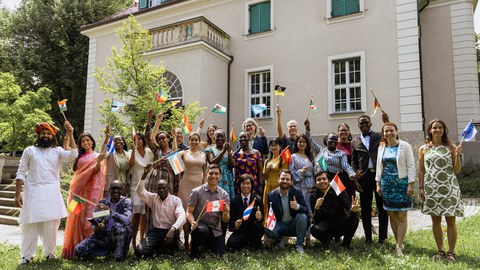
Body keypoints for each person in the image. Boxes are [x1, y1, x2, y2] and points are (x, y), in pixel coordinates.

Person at [14, 122, 77, 265]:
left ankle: (50, 253)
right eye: (43, 133)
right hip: (32, 191)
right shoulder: (29, 151)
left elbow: (73, 154)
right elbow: (21, 172)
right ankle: (27, 256)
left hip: (51, 192)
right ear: (38, 135)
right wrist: (17, 194)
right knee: (30, 224)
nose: (45, 136)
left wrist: (71, 134)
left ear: (52, 136)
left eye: (48, 133)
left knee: (51, 225)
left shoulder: (58, 151)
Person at [419, 119, 463, 263]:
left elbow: (457, 170)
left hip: (449, 187)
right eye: (434, 128)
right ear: (430, 130)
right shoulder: (423, 148)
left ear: (444, 130)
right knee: (435, 220)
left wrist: (457, 155)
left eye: (440, 128)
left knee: (451, 220)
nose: (437, 130)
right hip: (431, 188)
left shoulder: (451, 147)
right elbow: (421, 170)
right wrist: (420, 188)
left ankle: (451, 252)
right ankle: (440, 250)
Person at [62, 133, 106, 259]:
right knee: (75, 221)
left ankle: (88, 250)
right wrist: (69, 134)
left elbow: (96, 172)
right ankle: (73, 249)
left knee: (89, 220)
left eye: (88, 140)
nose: (86, 143)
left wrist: (107, 140)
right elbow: (79, 176)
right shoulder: (79, 158)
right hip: (78, 194)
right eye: (83, 141)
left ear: (92, 142)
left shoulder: (97, 156)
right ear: (80, 144)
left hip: (91, 195)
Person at [375, 122, 415, 256]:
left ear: (396, 131)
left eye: (391, 130)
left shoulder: (405, 146)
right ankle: (399, 241)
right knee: (392, 214)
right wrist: (378, 184)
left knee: (402, 215)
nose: (389, 133)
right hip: (387, 185)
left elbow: (411, 165)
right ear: (383, 133)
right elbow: (378, 167)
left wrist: (411, 184)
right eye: (386, 131)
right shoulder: (382, 147)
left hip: (402, 185)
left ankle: (398, 246)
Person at [134, 164, 186, 258]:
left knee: (171, 252)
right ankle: (160, 249)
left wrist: (173, 229)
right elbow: (139, 191)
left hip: (171, 231)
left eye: (164, 188)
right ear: (156, 190)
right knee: (139, 251)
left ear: (168, 189)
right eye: (159, 188)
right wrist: (144, 175)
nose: (161, 190)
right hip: (156, 232)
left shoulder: (176, 200)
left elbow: (182, 216)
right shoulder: (153, 198)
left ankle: (166, 249)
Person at [351, 114, 388, 244]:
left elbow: (391, 139)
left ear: (371, 124)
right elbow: (353, 162)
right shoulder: (355, 141)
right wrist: (355, 178)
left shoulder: (378, 137)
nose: (364, 125)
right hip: (364, 179)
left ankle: (383, 238)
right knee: (365, 209)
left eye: (367, 123)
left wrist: (386, 122)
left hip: (378, 177)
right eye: (362, 123)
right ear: (358, 126)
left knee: (382, 208)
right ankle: (368, 238)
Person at [75, 180, 132, 261]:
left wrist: (110, 211)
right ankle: (107, 252)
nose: (116, 191)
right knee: (79, 250)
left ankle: (118, 255)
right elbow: (96, 219)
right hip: (104, 236)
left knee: (117, 227)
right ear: (109, 190)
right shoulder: (103, 202)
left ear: (122, 190)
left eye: (118, 188)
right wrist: (97, 228)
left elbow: (126, 220)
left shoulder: (126, 202)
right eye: (113, 188)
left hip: (120, 237)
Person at [187, 164, 230, 258]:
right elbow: (189, 212)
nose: (213, 176)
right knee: (202, 231)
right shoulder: (196, 192)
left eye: (216, 174)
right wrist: (192, 222)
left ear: (220, 176)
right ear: (206, 174)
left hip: (215, 229)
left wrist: (226, 213)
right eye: (211, 173)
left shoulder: (224, 195)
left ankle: (206, 246)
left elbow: (225, 220)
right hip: (200, 226)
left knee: (220, 253)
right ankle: (194, 251)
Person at [145, 111, 178, 232]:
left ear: (167, 139)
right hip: (155, 180)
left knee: (168, 207)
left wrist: (174, 137)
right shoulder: (156, 150)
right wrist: (155, 120)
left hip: (169, 180)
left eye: (163, 137)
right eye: (159, 139)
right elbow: (149, 136)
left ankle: (169, 233)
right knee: (154, 205)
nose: (161, 140)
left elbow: (175, 155)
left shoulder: (172, 152)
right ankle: (151, 233)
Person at [310, 172, 359, 249]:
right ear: (316, 183)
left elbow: (348, 205)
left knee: (354, 218)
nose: (322, 181)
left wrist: (353, 210)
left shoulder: (337, 188)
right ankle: (326, 243)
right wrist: (317, 208)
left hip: (340, 221)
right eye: (318, 180)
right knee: (314, 229)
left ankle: (346, 245)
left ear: (329, 181)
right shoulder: (313, 195)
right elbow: (316, 220)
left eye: (324, 179)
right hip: (325, 224)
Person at [264, 170, 309, 253]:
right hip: (280, 225)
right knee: (266, 231)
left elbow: (306, 210)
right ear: (278, 179)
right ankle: (280, 240)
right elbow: (270, 214)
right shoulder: (271, 195)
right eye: (283, 178)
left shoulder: (296, 192)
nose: (285, 181)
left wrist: (297, 206)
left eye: (287, 179)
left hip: (293, 225)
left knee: (302, 216)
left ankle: (299, 245)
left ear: (291, 181)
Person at [178, 132, 207, 246]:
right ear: (188, 141)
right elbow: (173, 157)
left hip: (199, 186)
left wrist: (204, 185)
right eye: (192, 140)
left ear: (199, 142)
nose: (194, 142)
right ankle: (185, 240)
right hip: (185, 185)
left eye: (196, 140)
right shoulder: (183, 153)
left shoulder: (203, 155)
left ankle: (194, 240)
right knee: (186, 212)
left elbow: (205, 172)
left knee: (196, 212)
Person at [314, 133, 360, 198]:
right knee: (327, 199)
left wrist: (352, 174)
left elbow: (345, 165)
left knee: (341, 199)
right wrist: (308, 129)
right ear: (326, 140)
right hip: (325, 178)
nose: (333, 141)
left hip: (337, 178)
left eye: (335, 140)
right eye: (331, 139)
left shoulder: (341, 153)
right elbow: (310, 142)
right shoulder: (322, 151)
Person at [129, 132, 154, 249]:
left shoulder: (149, 152)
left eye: (139, 139)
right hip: (136, 186)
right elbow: (131, 164)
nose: (137, 141)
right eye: (135, 139)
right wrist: (133, 151)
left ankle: (142, 239)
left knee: (145, 214)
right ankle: (133, 240)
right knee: (136, 213)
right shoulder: (131, 152)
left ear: (143, 140)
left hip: (148, 186)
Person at [227, 174, 264, 250]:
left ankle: (254, 243)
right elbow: (231, 221)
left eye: (248, 183)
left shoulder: (258, 199)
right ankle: (247, 243)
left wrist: (260, 218)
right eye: (243, 183)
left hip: (253, 229)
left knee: (259, 226)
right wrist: (235, 224)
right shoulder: (234, 201)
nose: (245, 186)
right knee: (231, 244)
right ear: (239, 185)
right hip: (241, 231)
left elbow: (262, 219)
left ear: (251, 185)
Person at [289, 134, 316, 216]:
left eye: (304, 142)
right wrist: (301, 171)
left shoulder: (310, 156)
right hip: (300, 186)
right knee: (303, 207)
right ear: (296, 143)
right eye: (300, 141)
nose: (302, 143)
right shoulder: (293, 157)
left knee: (312, 207)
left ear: (307, 144)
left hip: (311, 186)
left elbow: (314, 171)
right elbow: (291, 171)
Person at [206, 129, 235, 199]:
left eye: (222, 137)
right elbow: (211, 162)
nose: (220, 139)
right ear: (214, 138)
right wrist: (223, 151)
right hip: (215, 177)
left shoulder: (229, 150)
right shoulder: (209, 149)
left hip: (227, 178)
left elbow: (232, 165)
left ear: (225, 138)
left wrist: (228, 152)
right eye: (218, 137)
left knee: (227, 200)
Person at [262, 138, 288, 216]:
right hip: (268, 187)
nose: (273, 147)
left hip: (278, 187)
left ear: (280, 147)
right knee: (268, 207)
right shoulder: (267, 161)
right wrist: (267, 169)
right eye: (271, 145)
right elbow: (264, 177)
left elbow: (285, 175)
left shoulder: (283, 160)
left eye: (276, 145)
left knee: (278, 207)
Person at [234, 131, 263, 196]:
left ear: (249, 138)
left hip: (253, 183)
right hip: (240, 183)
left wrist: (261, 185)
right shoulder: (236, 154)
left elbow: (260, 170)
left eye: (244, 137)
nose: (242, 139)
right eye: (240, 138)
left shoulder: (256, 153)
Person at [104, 127, 130, 197]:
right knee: (109, 205)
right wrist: (107, 138)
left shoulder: (128, 154)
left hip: (123, 184)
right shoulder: (110, 152)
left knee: (121, 205)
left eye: (120, 140)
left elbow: (130, 170)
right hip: (111, 183)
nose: (118, 141)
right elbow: (103, 154)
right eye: (115, 140)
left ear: (123, 142)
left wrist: (127, 185)